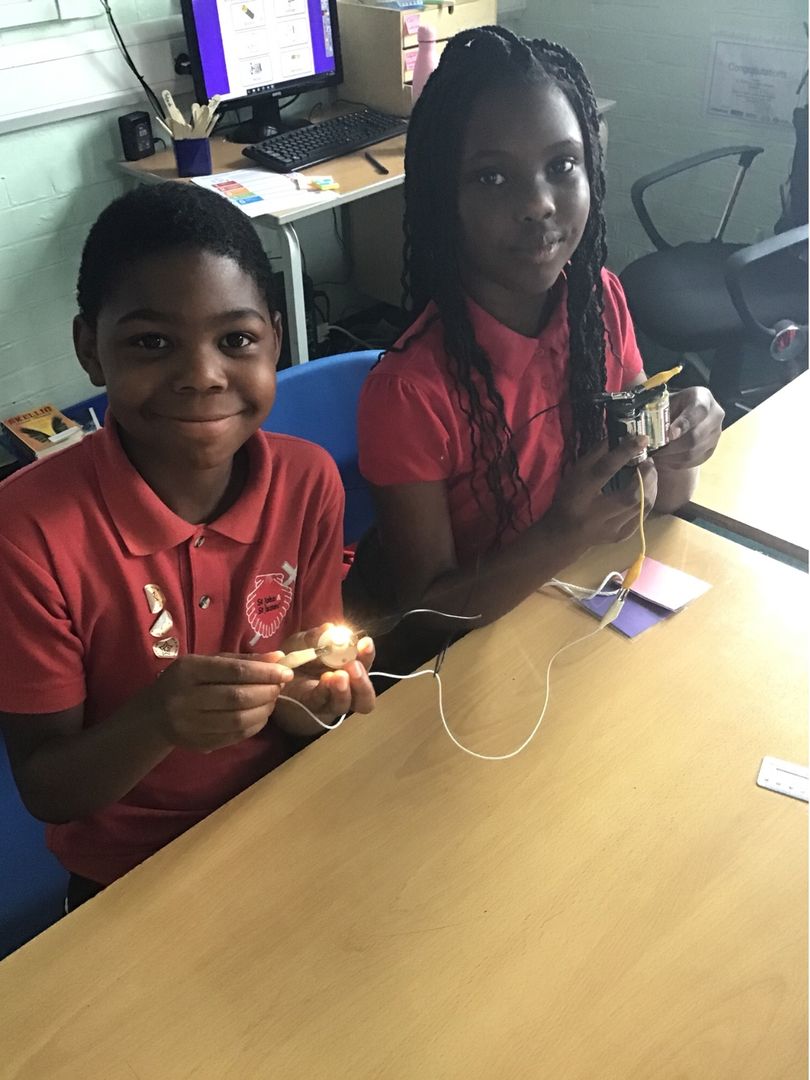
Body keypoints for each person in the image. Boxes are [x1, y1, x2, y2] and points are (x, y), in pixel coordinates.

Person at [0, 183, 375, 909]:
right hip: (129, 872)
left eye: (235, 340)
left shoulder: (308, 482)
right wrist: (158, 720)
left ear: (274, 339)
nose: (202, 376)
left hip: (283, 812)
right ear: (90, 349)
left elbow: (303, 702)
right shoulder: (28, 534)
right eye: (151, 342)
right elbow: (48, 789)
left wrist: (319, 696)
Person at [351, 27, 723, 651]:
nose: (539, 204)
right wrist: (561, 535)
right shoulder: (409, 393)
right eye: (492, 178)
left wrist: (685, 441)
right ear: (445, 198)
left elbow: (660, 498)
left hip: (572, 622)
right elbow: (422, 618)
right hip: (473, 664)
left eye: (562, 166)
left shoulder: (599, 301)